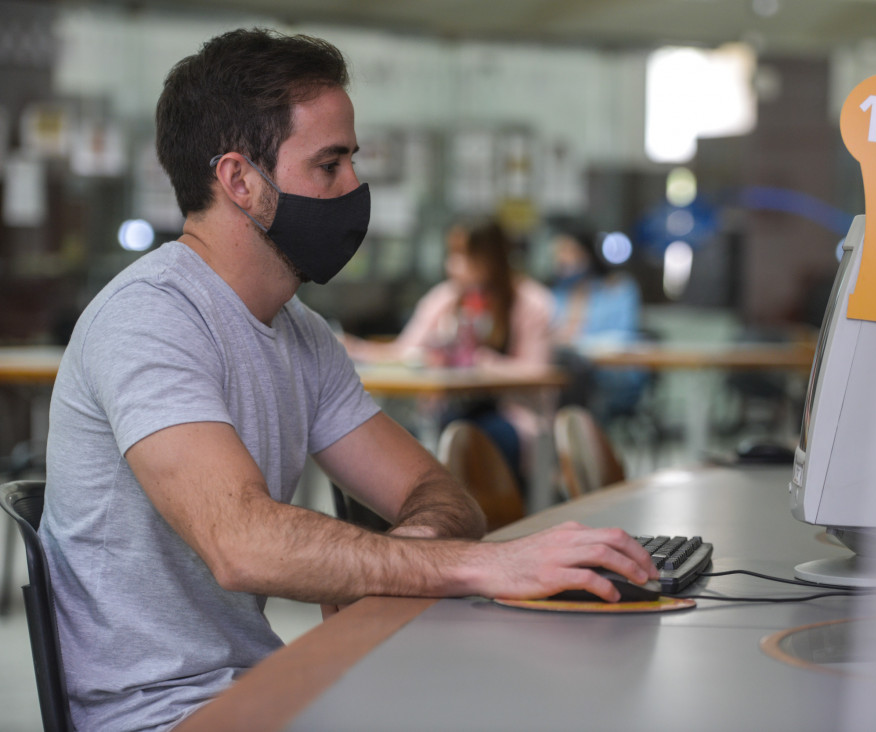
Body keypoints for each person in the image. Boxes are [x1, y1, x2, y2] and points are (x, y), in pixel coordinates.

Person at [39, 29, 656, 732]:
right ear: (240, 181)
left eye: (351, 163)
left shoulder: (301, 332)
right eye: (329, 165)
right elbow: (242, 544)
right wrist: (484, 568)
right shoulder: (150, 317)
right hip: (160, 716)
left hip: (269, 683)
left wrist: (394, 561)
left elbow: (439, 495)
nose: (354, 189)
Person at [341, 218, 554, 487]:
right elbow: (406, 351)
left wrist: (482, 362)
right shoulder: (445, 298)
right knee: (386, 441)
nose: (452, 265)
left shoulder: (530, 302)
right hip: (451, 408)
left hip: (511, 413)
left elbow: (539, 372)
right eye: (451, 255)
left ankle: (494, 521)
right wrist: (355, 348)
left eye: (464, 255)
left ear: (492, 257)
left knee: (481, 439)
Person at [548, 221, 648, 421]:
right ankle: (565, 434)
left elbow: (624, 334)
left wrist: (578, 341)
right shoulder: (553, 295)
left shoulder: (618, 288)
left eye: (569, 251)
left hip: (611, 375)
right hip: (568, 376)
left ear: (587, 253)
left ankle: (577, 434)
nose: (562, 259)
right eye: (558, 253)